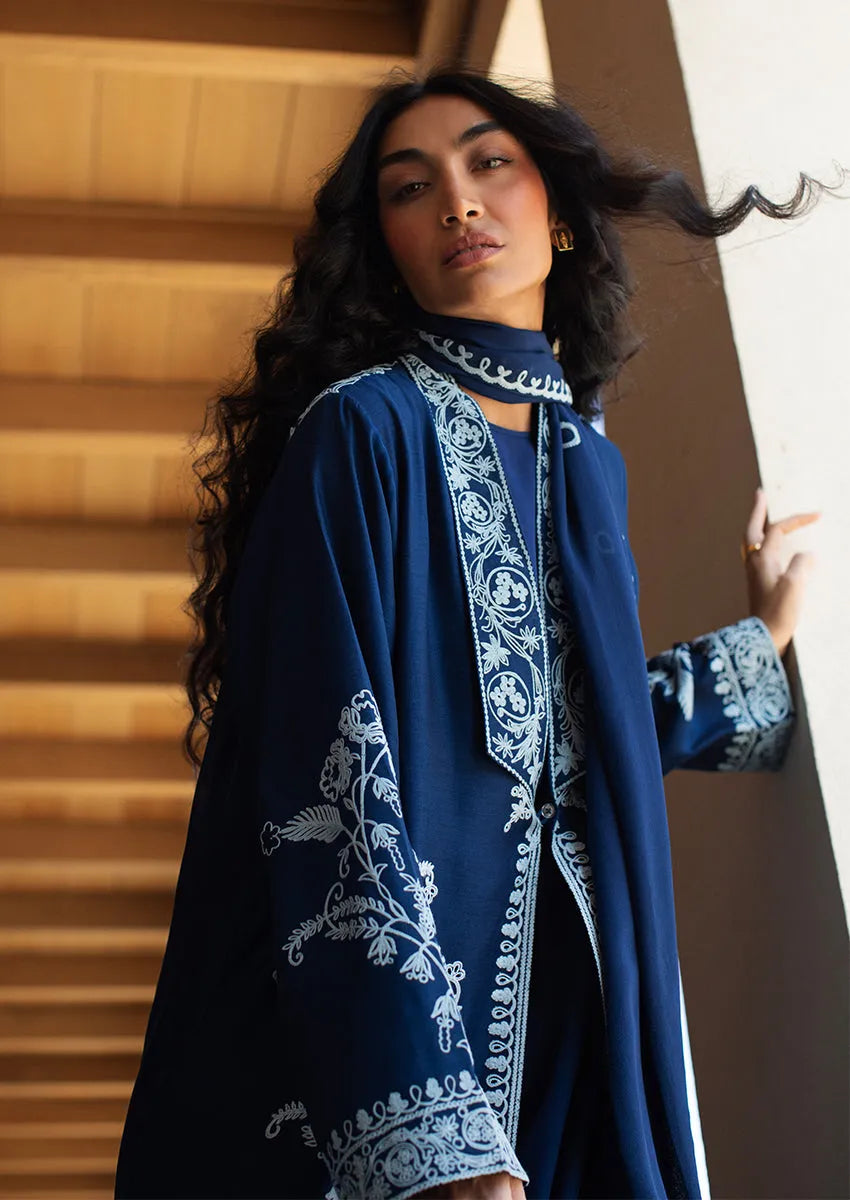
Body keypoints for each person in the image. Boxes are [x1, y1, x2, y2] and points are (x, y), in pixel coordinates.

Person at [114, 69, 822, 1200]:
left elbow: (573, 738)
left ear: (562, 217)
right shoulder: (363, 432)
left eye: (490, 162)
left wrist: (760, 640)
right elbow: (329, 764)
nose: (457, 201)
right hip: (410, 1062)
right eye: (411, 188)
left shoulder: (585, 464)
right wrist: (428, 1125)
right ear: (384, 248)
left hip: (585, 1014)